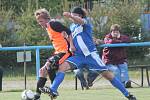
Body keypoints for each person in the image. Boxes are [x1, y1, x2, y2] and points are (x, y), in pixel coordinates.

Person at [39, 7, 136, 100]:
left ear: (80, 16)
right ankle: (53, 89)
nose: (73, 17)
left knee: (108, 76)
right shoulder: (72, 27)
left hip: (91, 56)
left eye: (75, 15)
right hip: (78, 56)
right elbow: (72, 37)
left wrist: (71, 16)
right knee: (62, 67)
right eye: (72, 15)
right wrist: (66, 38)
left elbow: (80, 21)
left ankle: (127, 94)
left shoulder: (85, 22)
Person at [34, 8, 75, 100]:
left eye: (41, 21)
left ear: (46, 19)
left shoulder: (53, 24)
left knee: (49, 65)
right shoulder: (47, 27)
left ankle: (53, 90)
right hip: (58, 52)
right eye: (38, 21)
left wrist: (71, 45)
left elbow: (69, 31)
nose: (39, 23)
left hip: (65, 51)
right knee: (42, 71)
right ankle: (37, 96)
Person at [102, 24, 132, 88]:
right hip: (109, 61)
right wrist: (120, 41)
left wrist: (119, 38)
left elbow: (128, 40)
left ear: (119, 32)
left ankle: (126, 82)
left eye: (117, 32)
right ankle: (120, 85)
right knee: (116, 70)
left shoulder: (122, 36)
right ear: (111, 32)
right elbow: (110, 42)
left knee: (124, 67)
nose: (115, 33)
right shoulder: (107, 37)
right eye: (114, 32)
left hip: (120, 60)